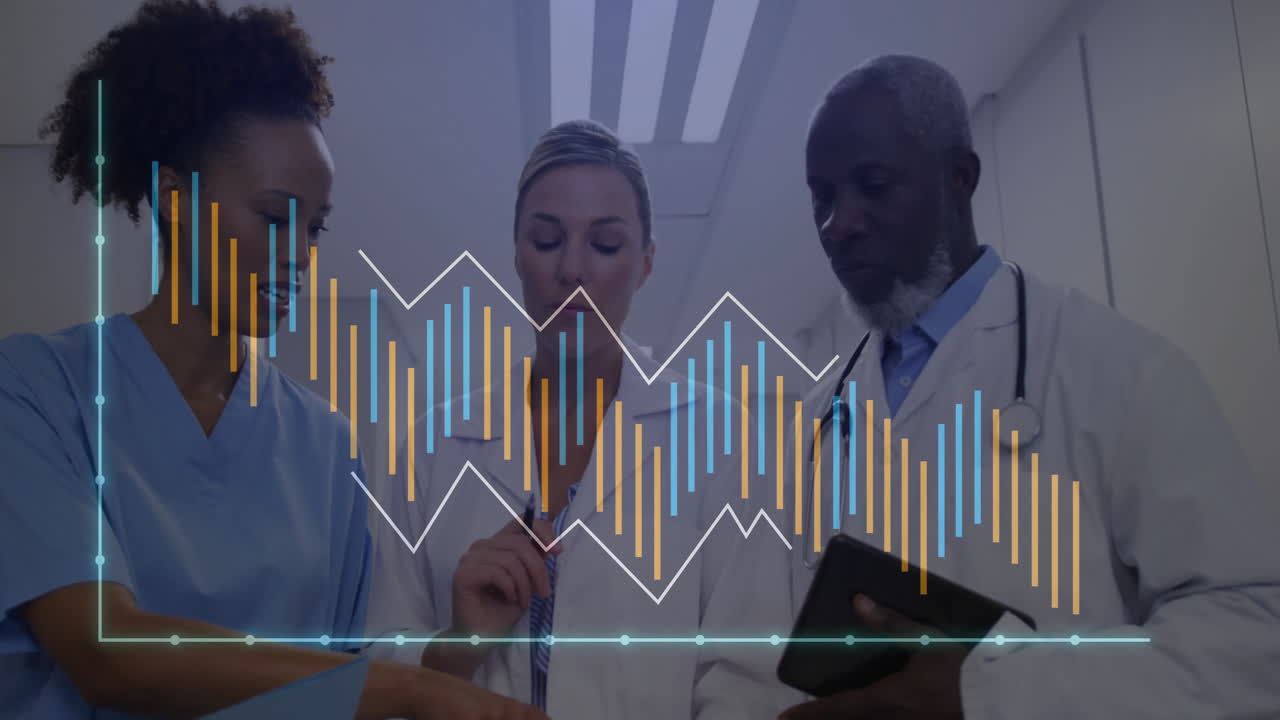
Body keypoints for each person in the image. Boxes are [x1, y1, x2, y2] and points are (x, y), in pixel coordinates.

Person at [693, 54, 1280, 718]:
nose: (839, 222)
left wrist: (988, 695)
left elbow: (1253, 635)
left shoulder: (1117, 372)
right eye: (822, 196)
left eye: (872, 184)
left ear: (958, 179)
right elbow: (739, 667)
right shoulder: (808, 429)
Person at [0, 2, 543, 718]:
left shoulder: (325, 446)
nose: (299, 257)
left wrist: (459, 645)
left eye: (314, 228)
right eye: (274, 217)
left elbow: (343, 683)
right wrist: (410, 687)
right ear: (175, 196)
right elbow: (107, 652)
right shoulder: (39, 392)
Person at [368, 120, 743, 718]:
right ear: (516, 255)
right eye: (546, 240)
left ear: (645, 263)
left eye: (605, 244)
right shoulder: (432, 448)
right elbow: (381, 670)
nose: (572, 270)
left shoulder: (721, 440)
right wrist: (459, 647)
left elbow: (740, 683)